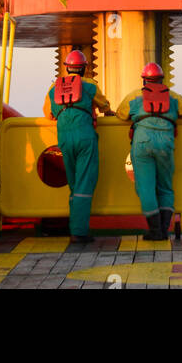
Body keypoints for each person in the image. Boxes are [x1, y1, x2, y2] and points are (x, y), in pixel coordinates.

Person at [116, 62, 182, 240]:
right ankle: (164, 230)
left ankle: (155, 230)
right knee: (166, 187)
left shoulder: (135, 96)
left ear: (144, 80)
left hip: (142, 141)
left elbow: (121, 114)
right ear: (162, 79)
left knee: (146, 187)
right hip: (166, 142)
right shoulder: (172, 96)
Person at [43, 49, 113, 245]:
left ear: (66, 68)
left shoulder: (53, 87)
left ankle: (75, 227)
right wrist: (107, 112)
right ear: (84, 68)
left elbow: (48, 114)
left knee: (74, 185)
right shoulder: (90, 85)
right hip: (84, 136)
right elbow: (104, 105)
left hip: (64, 138)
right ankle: (79, 232)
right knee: (84, 184)